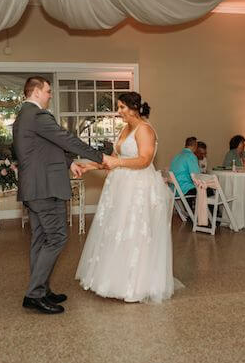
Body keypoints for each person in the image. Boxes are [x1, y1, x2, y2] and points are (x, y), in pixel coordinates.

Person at [12, 76, 115, 315]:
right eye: (48, 91)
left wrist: (69, 163)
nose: (50, 95)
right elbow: (65, 139)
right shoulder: (38, 115)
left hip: (34, 188)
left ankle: (41, 289)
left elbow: (44, 147)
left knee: (40, 239)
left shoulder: (23, 116)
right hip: (45, 188)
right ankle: (35, 294)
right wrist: (99, 157)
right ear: (36, 92)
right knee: (57, 238)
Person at [76, 92, 177, 303]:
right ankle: (113, 279)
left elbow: (145, 160)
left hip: (138, 188)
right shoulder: (125, 129)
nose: (118, 111)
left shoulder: (145, 129)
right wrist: (91, 166)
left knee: (134, 231)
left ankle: (136, 284)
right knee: (116, 230)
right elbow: (116, 158)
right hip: (120, 186)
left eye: (122, 107)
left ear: (133, 108)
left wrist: (118, 164)